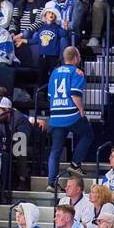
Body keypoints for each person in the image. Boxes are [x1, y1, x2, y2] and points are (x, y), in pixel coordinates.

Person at [44, 46, 93, 190]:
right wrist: (81, 110)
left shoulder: (54, 72)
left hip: (56, 114)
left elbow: (49, 96)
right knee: (88, 134)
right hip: (71, 113)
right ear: (76, 58)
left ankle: (51, 183)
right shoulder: (77, 72)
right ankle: (75, 164)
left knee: (55, 150)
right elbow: (74, 94)